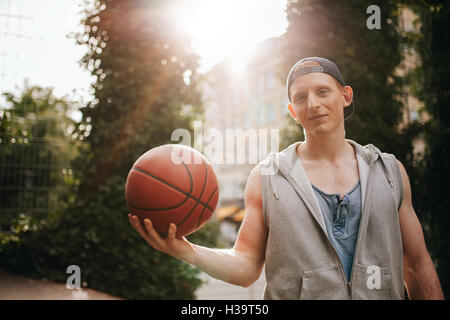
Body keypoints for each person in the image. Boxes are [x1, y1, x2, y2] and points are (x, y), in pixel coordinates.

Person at [128, 57, 444, 300]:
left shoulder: (389, 171)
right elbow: (247, 265)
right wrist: (187, 251)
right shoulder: (267, 177)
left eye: (323, 92)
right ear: (293, 110)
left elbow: (416, 264)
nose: (314, 104)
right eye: (302, 97)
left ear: (345, 96)